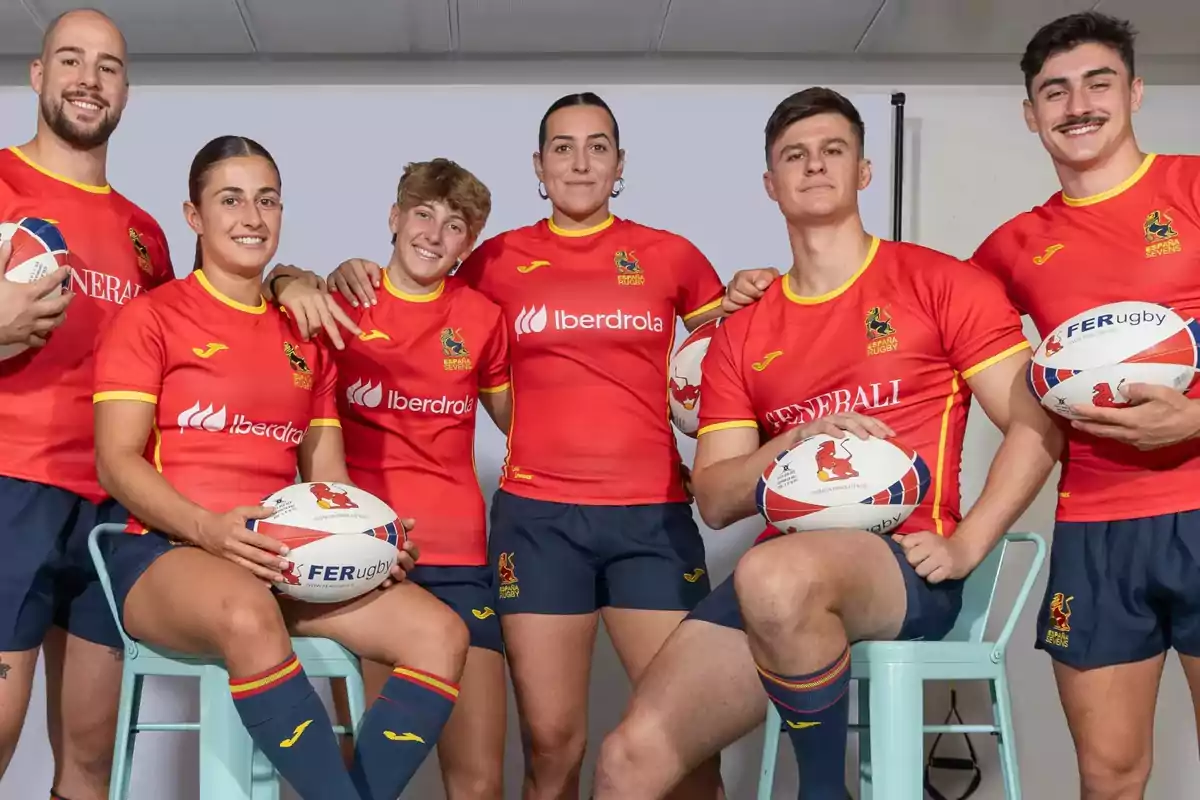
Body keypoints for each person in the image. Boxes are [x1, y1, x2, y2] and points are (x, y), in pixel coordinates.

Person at [592, 87, 1062, 800]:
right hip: (777, 584)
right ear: (770, 184)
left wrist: (968, 545)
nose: (814, 166)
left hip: (905, 566)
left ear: (864, 171)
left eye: (833, 150)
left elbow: (1038, 419)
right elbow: (716, 500)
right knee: (627, 761)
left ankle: (819, 791)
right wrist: (793, 438)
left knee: (774, 578)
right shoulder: (744, 330)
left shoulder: (940, 282)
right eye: (795, 156)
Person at [312, 92, 775, 798]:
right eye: (563, 146)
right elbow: (415, 288)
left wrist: (758, 293)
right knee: (554, 745)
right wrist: (313, 275)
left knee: (686, 741)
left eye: (597, 146)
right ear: (539, 164)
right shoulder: (494, 259)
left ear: (620, 164)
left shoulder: (671, 254)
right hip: (539, 522)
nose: (580, 161)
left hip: (650, 516)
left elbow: (736, 352)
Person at [91, 135, 468, 800]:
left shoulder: (306, 336)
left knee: (440, 632)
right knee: (246, 613)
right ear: (193, 214)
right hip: (162, 552)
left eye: (267, 200)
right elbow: (116, 460)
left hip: (280, 562)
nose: (251, 216)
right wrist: (210, 530)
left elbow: (329, 476)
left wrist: (372, 545)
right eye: (230, 199)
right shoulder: (150, 317)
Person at [970, 12, 1200, 799]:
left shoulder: (1193, 186)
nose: (1079, 104)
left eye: (1098, 82)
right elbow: (907, 323)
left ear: (1134, 91)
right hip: (1095, 530)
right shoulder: (1013, 246)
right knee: (1108, 775)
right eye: (1054, 91)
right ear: (1031, 113)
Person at [275, 157, 513, 798]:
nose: (434, 234)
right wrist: (289, 278)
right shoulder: (344, 299)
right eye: (423, 214)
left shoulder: (483, 318)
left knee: (480, 779)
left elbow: (525, 424)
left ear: (469, 242)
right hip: (366, 557)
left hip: (461, 556)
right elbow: (279, 285)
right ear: (395, 217)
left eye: (455, 225)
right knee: (378, 776)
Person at [0, 11, 175, 800]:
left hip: (112, 508)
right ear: (37, 76)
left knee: (92, 758)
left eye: (107, 67)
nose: (87, 79)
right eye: (69, 60)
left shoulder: (145, 236)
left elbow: (196, 339)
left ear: (125, 91)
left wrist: (290, 281)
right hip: (12, 486)